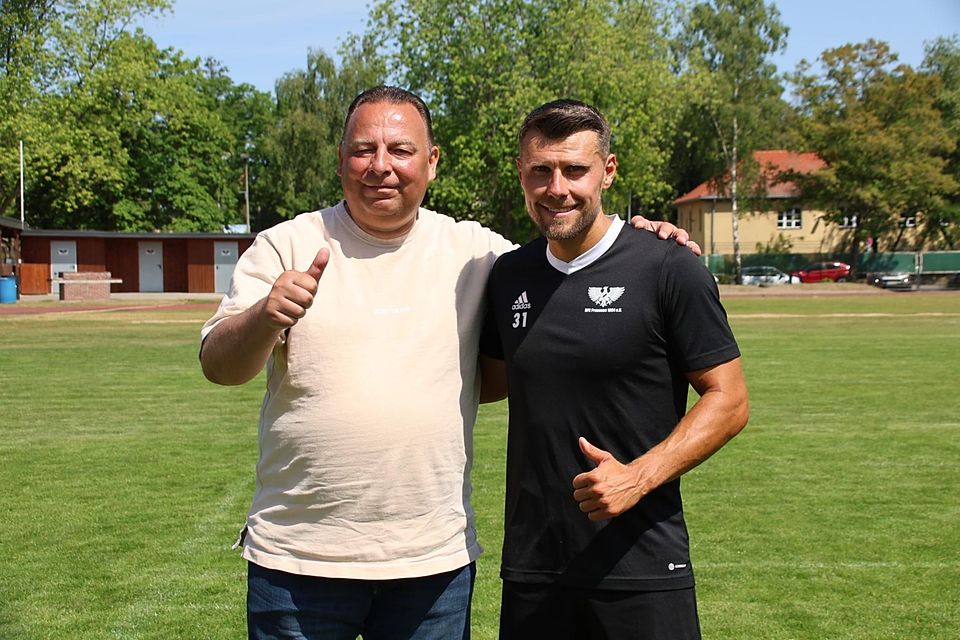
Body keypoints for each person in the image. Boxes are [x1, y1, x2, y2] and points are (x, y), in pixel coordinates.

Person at [199, 86, 697, 640]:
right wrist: (265, 316)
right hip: (299, 560)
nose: (380, 167)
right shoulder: (286, 244)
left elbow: (568, 246)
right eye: (363, 150)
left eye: (401, 151)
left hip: (431, 564)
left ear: (431, 162)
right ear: (341, 159)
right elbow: (221, 366)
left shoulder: (480, 254)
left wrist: (644, 240)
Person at [480, 99, 749, 640]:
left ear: (608, 170)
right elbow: (487, 384)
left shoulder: (668, 266)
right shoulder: (509, 275)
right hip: (535, 567)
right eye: (541, 170)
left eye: (575, 169)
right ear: (521, 173)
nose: (557, 187)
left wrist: (637, 477)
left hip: (641, 563)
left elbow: (731, 400)